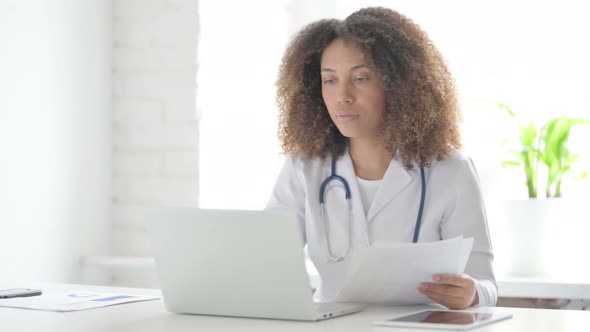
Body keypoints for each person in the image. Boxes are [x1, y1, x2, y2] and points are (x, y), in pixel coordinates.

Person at [266, 7, 496, 309]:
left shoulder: (450, 170)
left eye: (360, 78)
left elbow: (486, 286)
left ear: (399, 84)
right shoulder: (305, 167)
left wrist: (472, 293)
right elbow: (264, 260)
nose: (343, 96)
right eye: (329, 80)